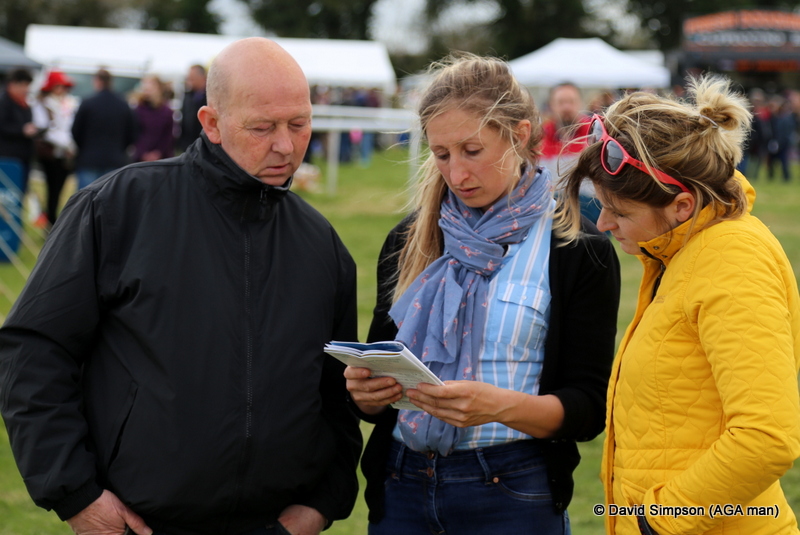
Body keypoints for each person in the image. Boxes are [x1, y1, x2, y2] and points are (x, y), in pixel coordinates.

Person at [0, 37, 361, 535]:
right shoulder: (118, 208)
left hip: (274, 525)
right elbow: (34, 353)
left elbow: (336, 392)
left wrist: (323, 503)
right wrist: (78, 495)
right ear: (210, 123)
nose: (285, 145)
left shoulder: (321, 243)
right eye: (262, 127)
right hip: (139, 523)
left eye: (299, 124)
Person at [345, 54, 621, 535]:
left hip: (513, 490)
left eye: (472, 150)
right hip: (403, 483)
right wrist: (365, 394)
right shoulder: (410, 239)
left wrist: (498, 406)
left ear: (518, 134)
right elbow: (376, 375)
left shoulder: (578, 248)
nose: (455, 173)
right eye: (442, 154)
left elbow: (589, 406)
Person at [556, 76, 800, 534]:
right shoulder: (681, 252)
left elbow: (766, 438)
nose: (604, 223)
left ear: (682, 206)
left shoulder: (731, 260)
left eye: (620, 211)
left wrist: (658, 520)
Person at [539, 82, 598, 223]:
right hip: (553, 210)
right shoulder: (539, 137)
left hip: (590, 209)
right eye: (561, 102)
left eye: (571, 102)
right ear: (551, 105)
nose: (566, 107)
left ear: (580, 104)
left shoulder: (595, 133)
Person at [71, 68, 137, 189]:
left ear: (97, 81)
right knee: (110, 202)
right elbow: (132, 134)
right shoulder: (123, 105)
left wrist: (83, 148)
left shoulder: (87, 103)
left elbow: (76, 131)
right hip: (115, 159)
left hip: (89, 159)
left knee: (86, 202)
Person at [30, 69, 79, 226]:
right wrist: (67, 144)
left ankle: (52, 220)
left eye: (64, 86)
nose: (62, 90)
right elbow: (45, 130)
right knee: (52, 189)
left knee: (59, 190)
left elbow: (68, 126)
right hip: (51, 153)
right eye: (59, 86)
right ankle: (50, 220)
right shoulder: (42, 104)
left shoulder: (67, 103)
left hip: (64, 154)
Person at [0, 67, 37, 193]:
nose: (26, 89)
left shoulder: (24, 103)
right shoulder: (4, 101)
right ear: (13, 83)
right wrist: (22, 130)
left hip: (23, 156)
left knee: (20, 192)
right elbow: (3, 125)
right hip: (7, 157)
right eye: (24, 85)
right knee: (8, 193)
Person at [133, 74, 174, 162]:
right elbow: (134, 133)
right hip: (141, 159)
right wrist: (143, 153)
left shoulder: (167, 112)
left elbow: (168, 136)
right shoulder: (139, 110)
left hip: (162, 159)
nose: (148, 89)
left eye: (151, 85)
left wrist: (158, 152)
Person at [175, 64, 207, 153]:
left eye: (192, 78)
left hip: (205, 145)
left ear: (202, 77)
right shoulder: (187, 96)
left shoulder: (211, 97)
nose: (189, 81)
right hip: (188, 145)